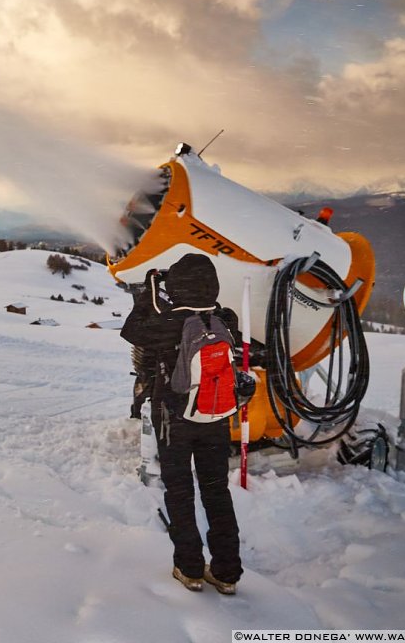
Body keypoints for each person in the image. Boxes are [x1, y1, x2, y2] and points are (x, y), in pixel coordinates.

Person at [121, 252, 243, 594]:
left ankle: (189, 569)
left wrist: (149, 291)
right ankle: (227, 573)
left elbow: (131, 330)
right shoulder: (225, 319)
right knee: (217, 491)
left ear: (176, 285)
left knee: (180, 491)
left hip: (173, 419)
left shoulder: (167, 323)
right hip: (215, 416)